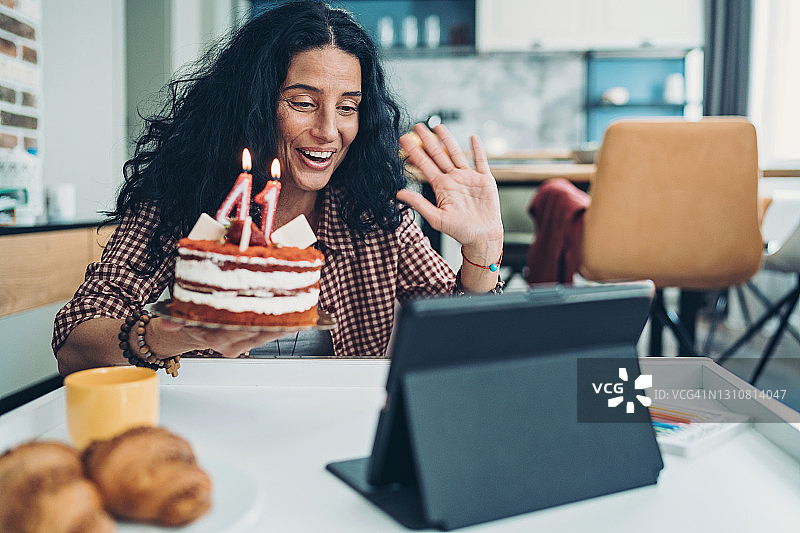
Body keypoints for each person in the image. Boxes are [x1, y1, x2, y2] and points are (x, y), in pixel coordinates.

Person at [53, 0, 504, 376]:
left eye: (348, 107)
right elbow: (75, 340)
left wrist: (482, 253)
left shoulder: (375, 214)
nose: (328, 131)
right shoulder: (185, 201)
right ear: (252, 104)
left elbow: (466, 344)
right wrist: (176, 334)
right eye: (303, 103)